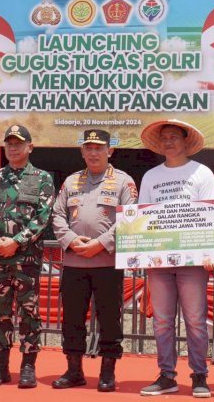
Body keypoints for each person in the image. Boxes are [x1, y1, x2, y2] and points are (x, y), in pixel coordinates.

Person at [51, 129, 137, 392]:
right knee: (72, 319)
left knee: (110, 319)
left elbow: (130, 218)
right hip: (74, 263)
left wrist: (101, 243)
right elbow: (57, 215)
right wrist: (71, 241)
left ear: (110, 151)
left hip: (107, 264)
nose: (93, 152)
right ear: (82, 151)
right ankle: (74, 370)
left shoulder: (124, 181)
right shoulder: (71, 181)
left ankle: (107, 372)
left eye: (99, 147)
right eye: (88, 147)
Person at [137, 119, 214, 398]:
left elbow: (210, 217)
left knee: (195, 319)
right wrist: (143, 254)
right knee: (161, 320)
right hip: (159, 262)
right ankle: (167, 375)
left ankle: (199, 375)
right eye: (164, 138)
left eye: (174, 137)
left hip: (193, 261)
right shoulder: (150, 176)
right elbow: (142, 217)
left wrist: (210, 253)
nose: (169, 141)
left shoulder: (202, 173)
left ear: (185, 142)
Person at [0, 124, 54, 389]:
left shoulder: (42, 178)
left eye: (18, 143)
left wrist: (16, 241)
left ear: (29, 147)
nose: (13, 148)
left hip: (27, 259)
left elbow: (43, 216)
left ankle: (27, 367)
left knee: (29, 313)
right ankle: (0, 367)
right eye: (9, 143)